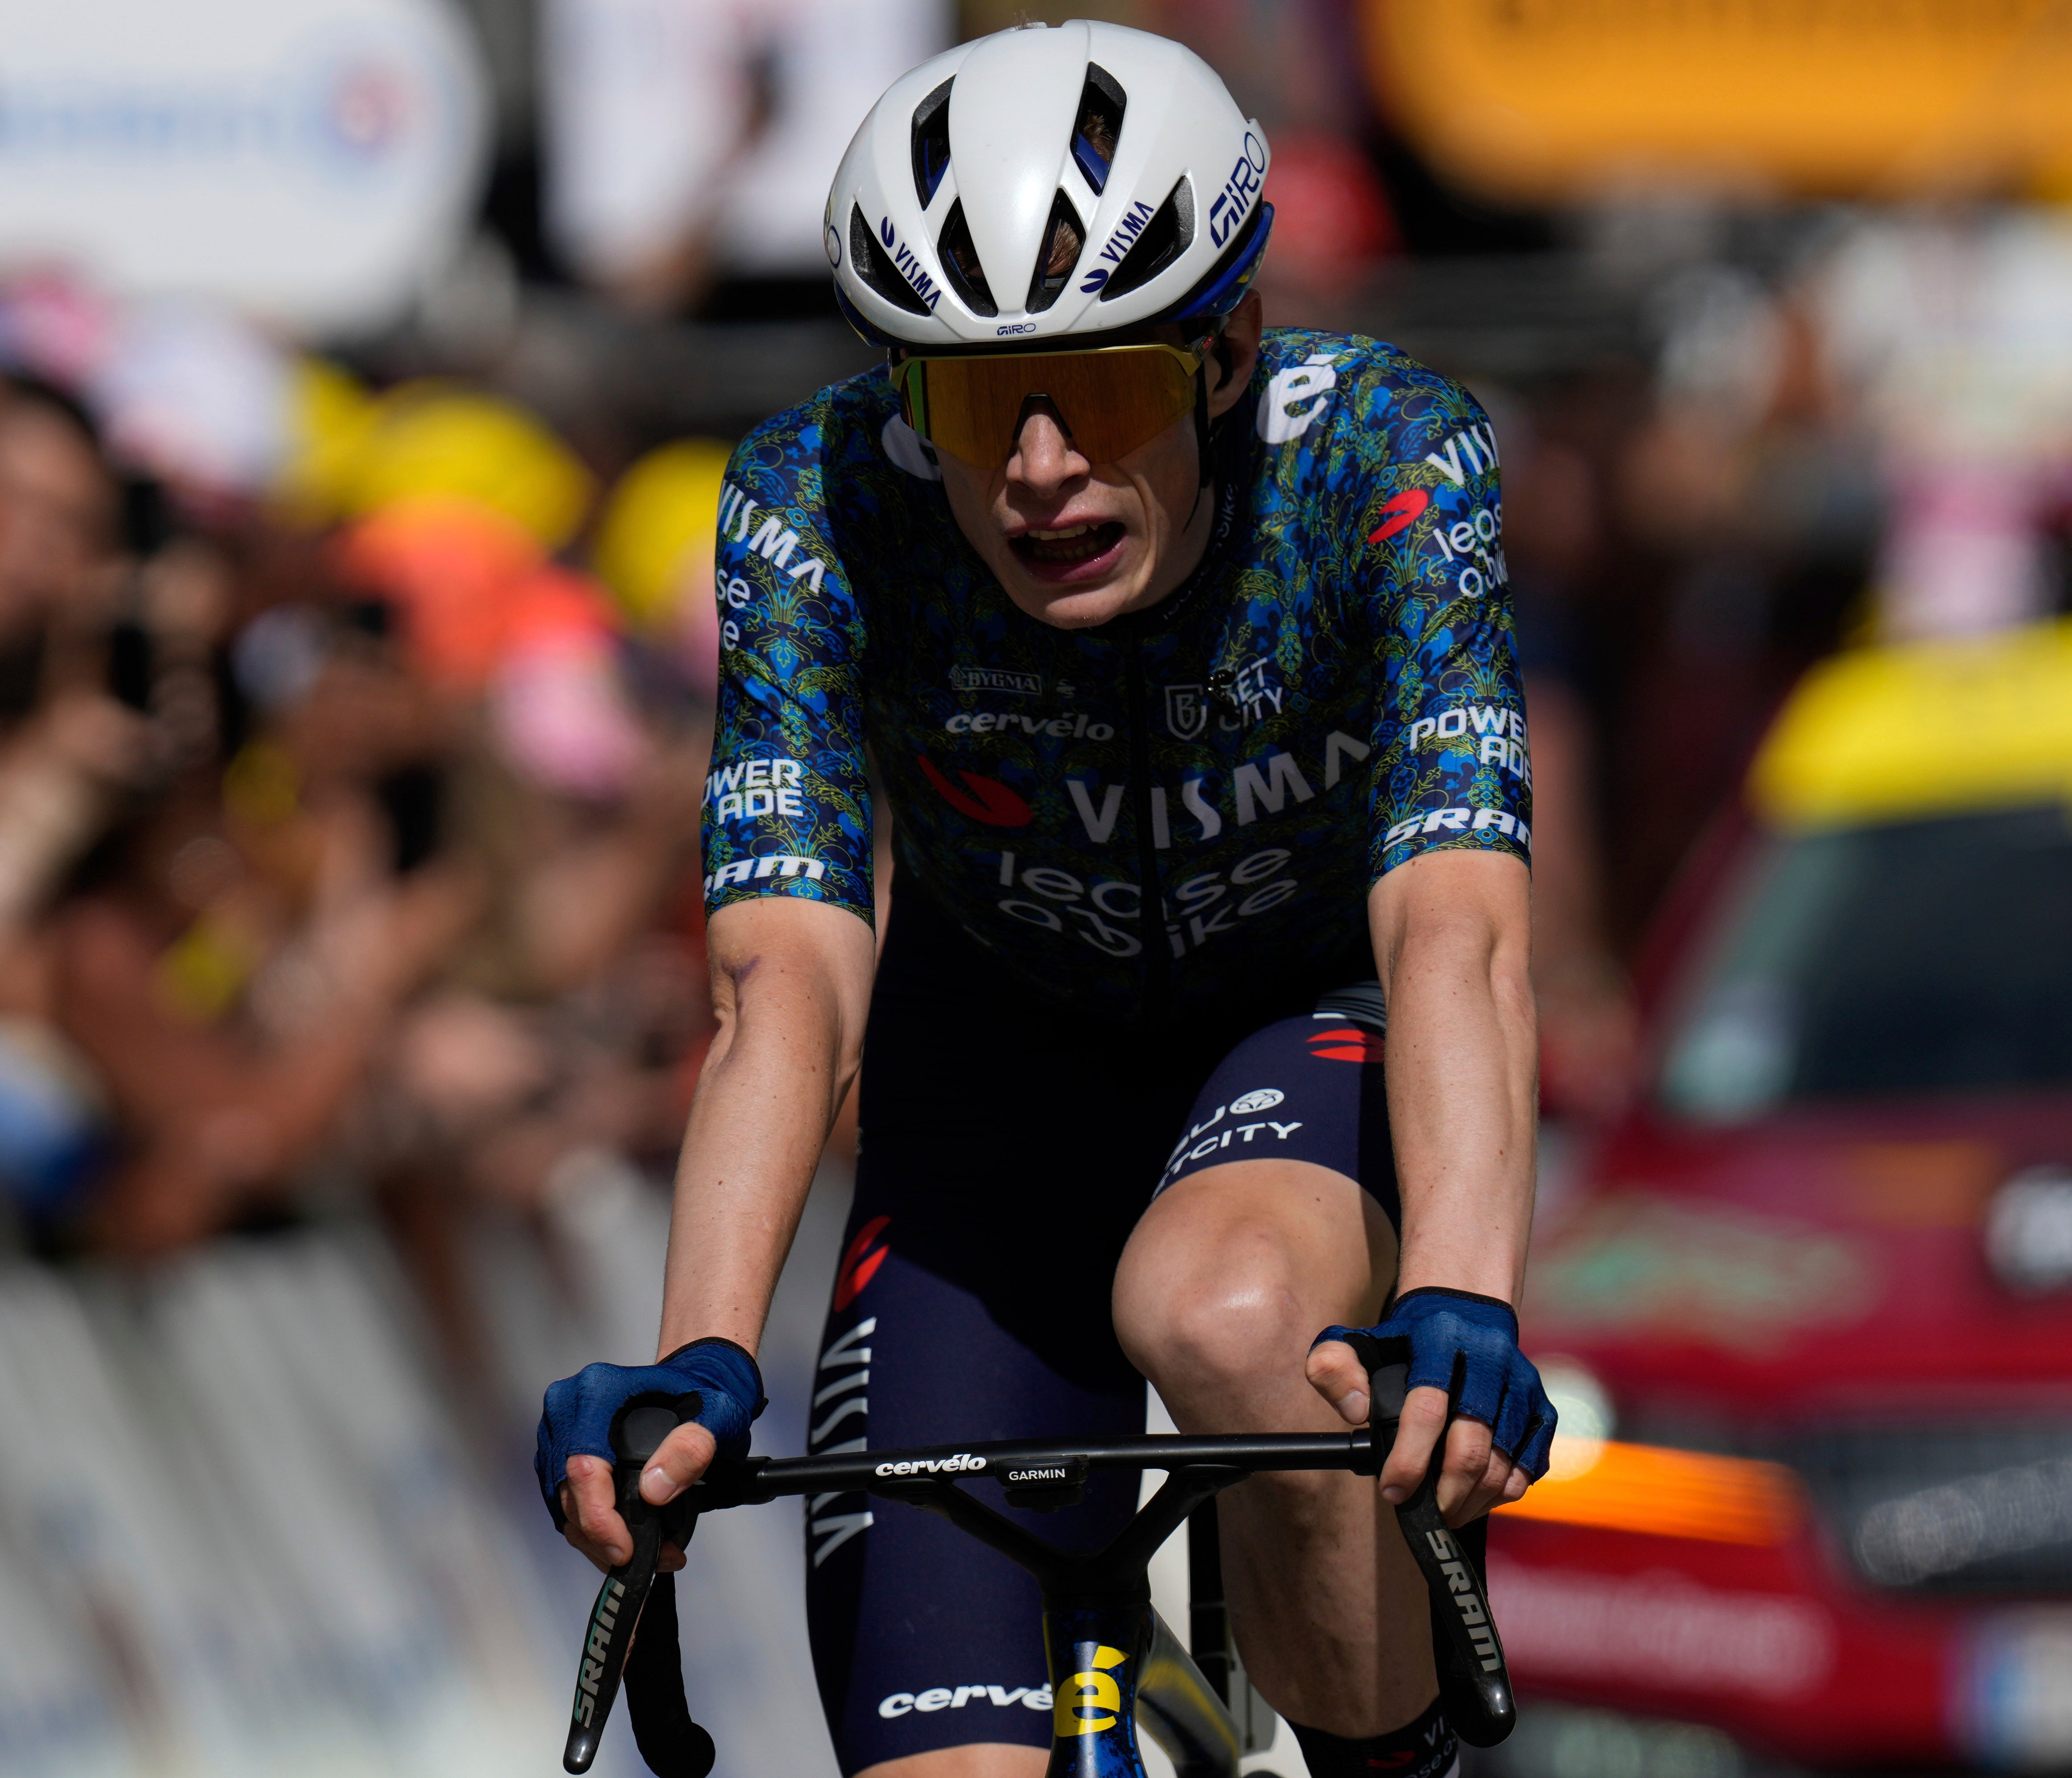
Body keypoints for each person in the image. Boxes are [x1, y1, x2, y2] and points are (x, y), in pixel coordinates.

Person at [536, 21, 1555, 1778]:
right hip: (992, 1075)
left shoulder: (1384, 460)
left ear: (1228, 346)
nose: (1034, 465)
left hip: (1298, 1019)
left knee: (1226, 1313)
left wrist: (1463, 1300)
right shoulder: (819, 503)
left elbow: (1456, 922)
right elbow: (780, 977)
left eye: (1104, 388)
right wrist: (699, 1352)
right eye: (961, 396)